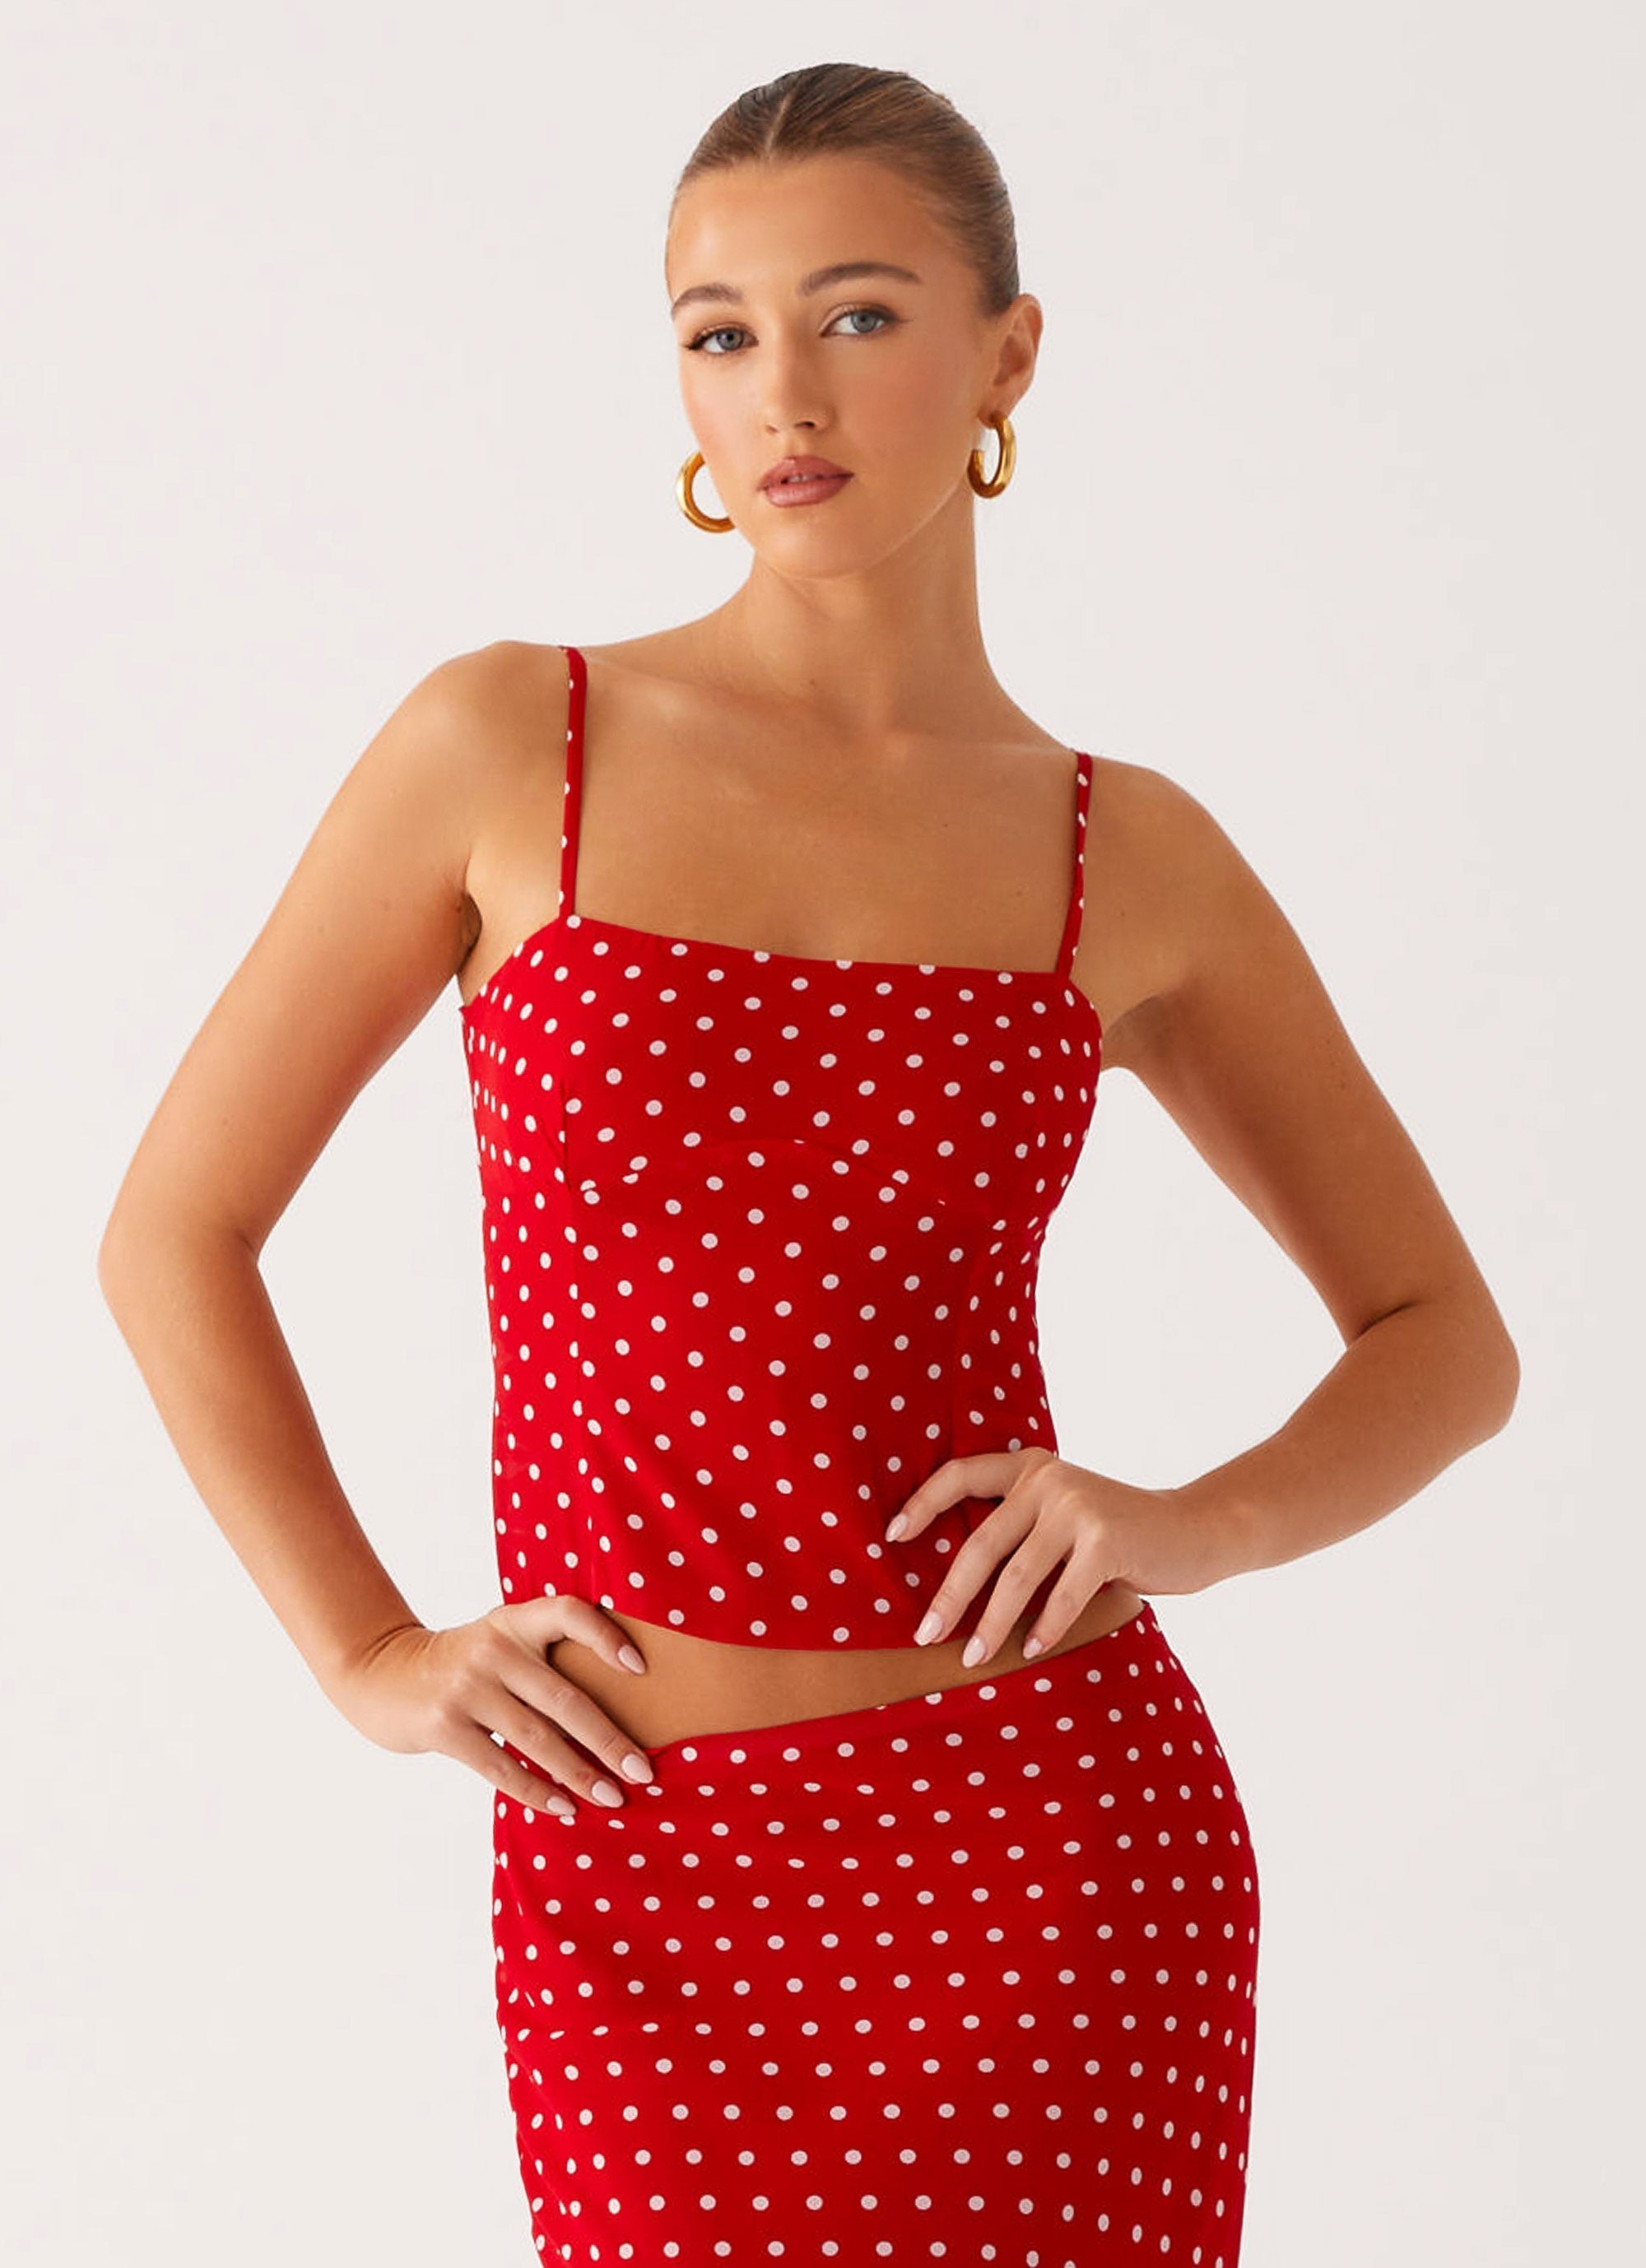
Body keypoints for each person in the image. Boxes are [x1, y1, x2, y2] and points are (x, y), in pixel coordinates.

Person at [97, 58, 1519, 2268]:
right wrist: (365, 1648)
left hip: (1058, 1866)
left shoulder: (1123, 852)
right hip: (642, 1861)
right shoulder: (512, 742)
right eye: (719, 328)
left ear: (1008, 355)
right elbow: (175, 1228)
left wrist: (1187, 1523)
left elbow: (1444, 1341)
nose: (786, 390)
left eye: (858, 314)